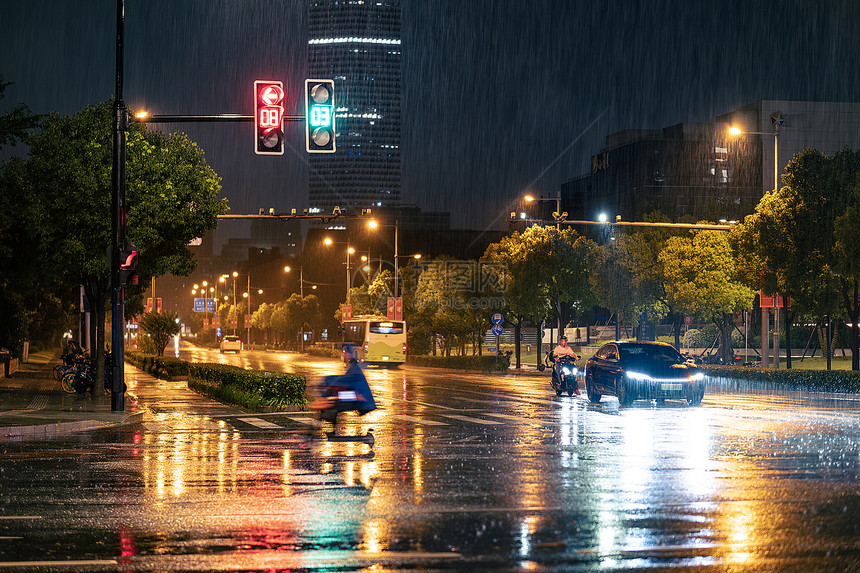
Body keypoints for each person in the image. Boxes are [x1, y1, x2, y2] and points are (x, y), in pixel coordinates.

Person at [308, 343, 377, 436]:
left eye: (345, 353)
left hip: (361, 402)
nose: (343, 355)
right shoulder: (353, 366)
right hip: (357, 398)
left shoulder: (354, 368)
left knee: (332, 406)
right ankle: (327, 430)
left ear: (350, 354)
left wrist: (326, 383)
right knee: (331, 403)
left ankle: (330, 431)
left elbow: (343, 382)